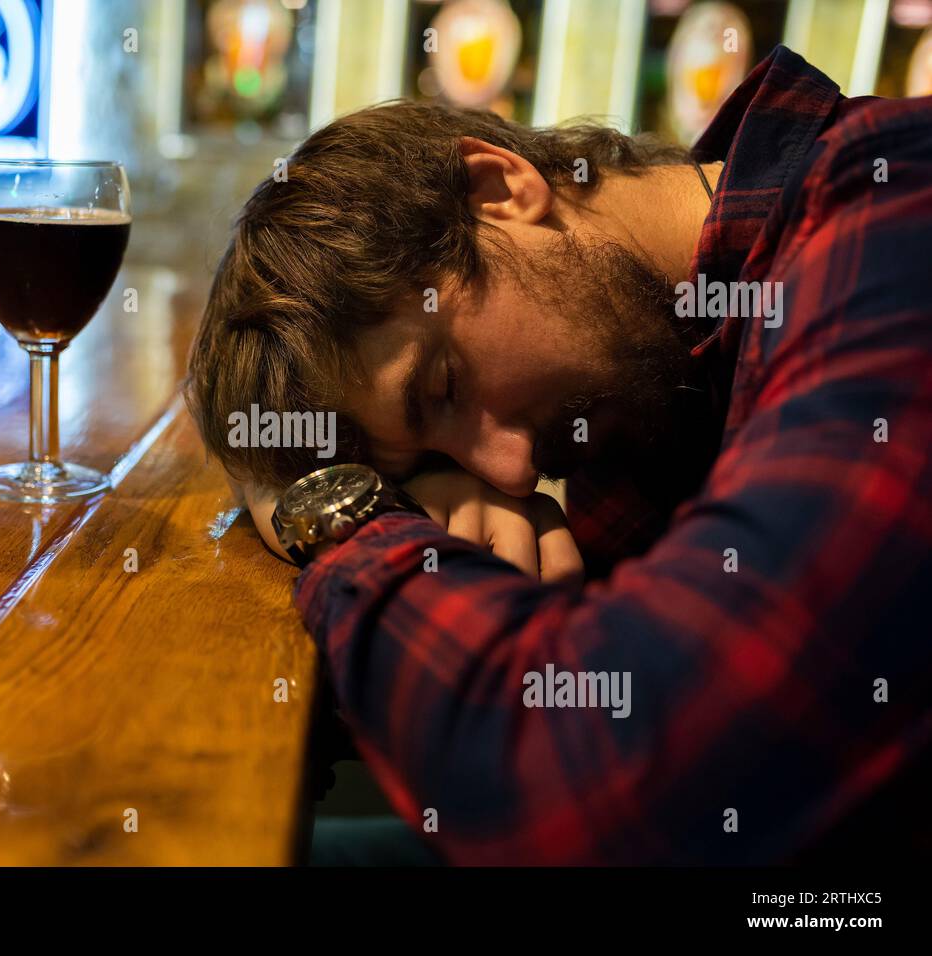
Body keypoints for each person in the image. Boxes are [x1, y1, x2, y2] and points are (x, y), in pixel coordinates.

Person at [185, 46, 932, 864]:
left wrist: (338, 522)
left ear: (498, 192)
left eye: (441, 386)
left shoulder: (897, 215)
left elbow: (585, 783)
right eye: (440, 455)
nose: (509, 472)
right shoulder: (659, 353)